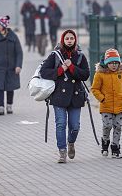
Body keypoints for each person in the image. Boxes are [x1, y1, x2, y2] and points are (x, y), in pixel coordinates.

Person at [40, 29, 90, 163]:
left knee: (75, 126)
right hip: (59, 96)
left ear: (75, 40)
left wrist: (72, 67)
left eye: (71, 38)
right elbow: (44, 72)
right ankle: (62, 152)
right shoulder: (55, 55)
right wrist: (61, 69)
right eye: (67, 38)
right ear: (63, 40)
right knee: (60, 124)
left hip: (76, 95)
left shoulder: (80, 56)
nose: (69, 40)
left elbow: (86, 74)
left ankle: (71, 142)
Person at [91, 48, 122, 158]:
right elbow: (95, 89)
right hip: (106, 106)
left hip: (119, 105)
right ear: (106, 63)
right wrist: (102, 98)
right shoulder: (100, 74)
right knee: (107, 126)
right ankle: (105, 142)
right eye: (111, 63)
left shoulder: (121, 73)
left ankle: (115, 148)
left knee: (118, 126)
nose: (114, 65)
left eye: (116, 63)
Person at [0, 15, 23, 116]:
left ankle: (9, 105)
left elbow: (19, 52)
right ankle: (1, 107)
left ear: (3, 25)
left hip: (11, 67)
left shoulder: (13, 36)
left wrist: (18, 65)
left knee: (10, 87)